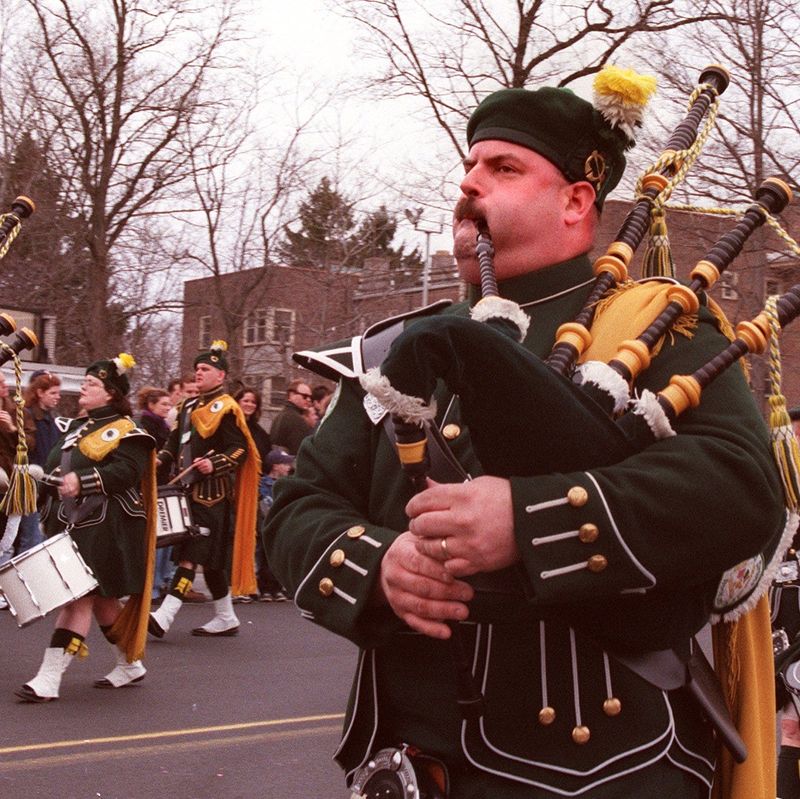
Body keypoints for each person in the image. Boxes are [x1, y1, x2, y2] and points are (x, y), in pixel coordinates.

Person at [265, 76, 785, 797]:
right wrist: (383, 564)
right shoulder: (393, 349)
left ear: (577, 201)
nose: (470, 181)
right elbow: (296, 510)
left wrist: (527, 520)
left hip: (606, 767)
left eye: (504, 168)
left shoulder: (657, 323)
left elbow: (740, 485)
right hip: (408, 763)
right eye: (471, 164)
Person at [15, 354, 156, 702]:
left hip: (107, 526)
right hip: (72, 525)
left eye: (92, 385)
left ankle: (49, 678)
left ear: (110, 393)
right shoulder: (75, 428)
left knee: (77, 597)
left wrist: (85, 481)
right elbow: (55, 468)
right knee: (104, 601)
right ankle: (129, 663)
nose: (84, 389)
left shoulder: (129, 432)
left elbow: (126, 473)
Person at [148, 341, 259, 638]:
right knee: (210, 563)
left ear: (220, 376)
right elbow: (174, 445)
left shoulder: (228, 408)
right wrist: (157, 461)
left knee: (191, 555)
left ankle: (165, 615)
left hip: (212, 496)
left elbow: (240, 450)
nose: (199, 373)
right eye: (197, 368)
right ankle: (226, 617)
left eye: (205, 369)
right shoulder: (187, 406)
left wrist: (216, 464)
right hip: (185, 490)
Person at [232, 386, 272, 603]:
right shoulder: (231, 427)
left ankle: (249, 582)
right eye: (245, 400)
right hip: (231, 488)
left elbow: (265, 460)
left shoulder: (259, 433)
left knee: (254, 536)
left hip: (255, 490)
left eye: (253, 402)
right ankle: (235, 584)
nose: (248, 405)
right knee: (233, 536)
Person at [135, 386, 173, 602]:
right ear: (151, 405)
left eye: (169, 404)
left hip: (164, 482)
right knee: (156, 536)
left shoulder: (164, 426)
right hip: (152, 483)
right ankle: (153, 585)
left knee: (166, 535)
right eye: (164, 404)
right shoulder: (145, 426)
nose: (168, 408)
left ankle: (159, 581)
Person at [256, 448, 294, 602]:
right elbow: (264, 506)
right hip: (268, 524)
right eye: (285, 464)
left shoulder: (288, 484)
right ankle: (265, 588)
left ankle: (278, 587)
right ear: (275, 466)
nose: (289, 467)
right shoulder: (263, 484)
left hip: (282, 525)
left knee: (279, 557)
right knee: (264, 556)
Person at [269, 379, 313, 455]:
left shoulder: (280, 415)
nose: (308, 399)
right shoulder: (297, 420)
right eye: (305, 396)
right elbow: (300, 453)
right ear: (291, 395)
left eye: (310, 397)